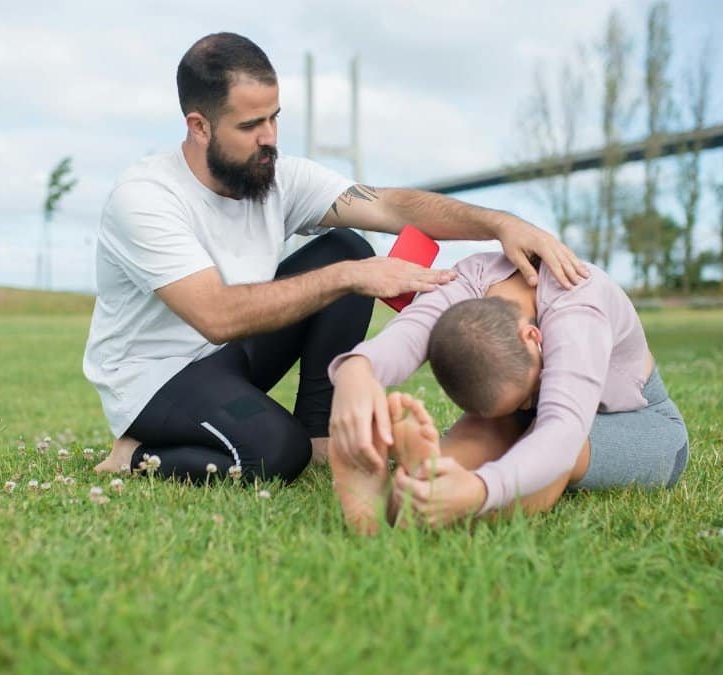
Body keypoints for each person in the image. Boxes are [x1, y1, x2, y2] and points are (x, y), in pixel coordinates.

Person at [85, 32, 587, 484]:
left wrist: (500, 223)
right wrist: (350, 277)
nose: (270, 138)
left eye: (275, 117)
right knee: (277, 454)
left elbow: (390, 204)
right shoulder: (145, 198)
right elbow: (215, 315)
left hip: (230, 359)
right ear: (199, 126)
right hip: (156, 379)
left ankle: (321, 435)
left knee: (347, 243)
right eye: (251, 125)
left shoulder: (275, 176)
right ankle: (135, 456)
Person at [327, 252, 688, 533]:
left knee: (553, 447)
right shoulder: (470, 281)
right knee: (484, 432)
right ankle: (401, 498)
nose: (533, 401)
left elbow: (561, 431)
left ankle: (457, 512)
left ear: (534, 337)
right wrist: (356, 371)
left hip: (637, 422)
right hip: (536, 419)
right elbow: (409, 332)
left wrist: (481, 489)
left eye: (527, 394)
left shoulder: (578, 309)